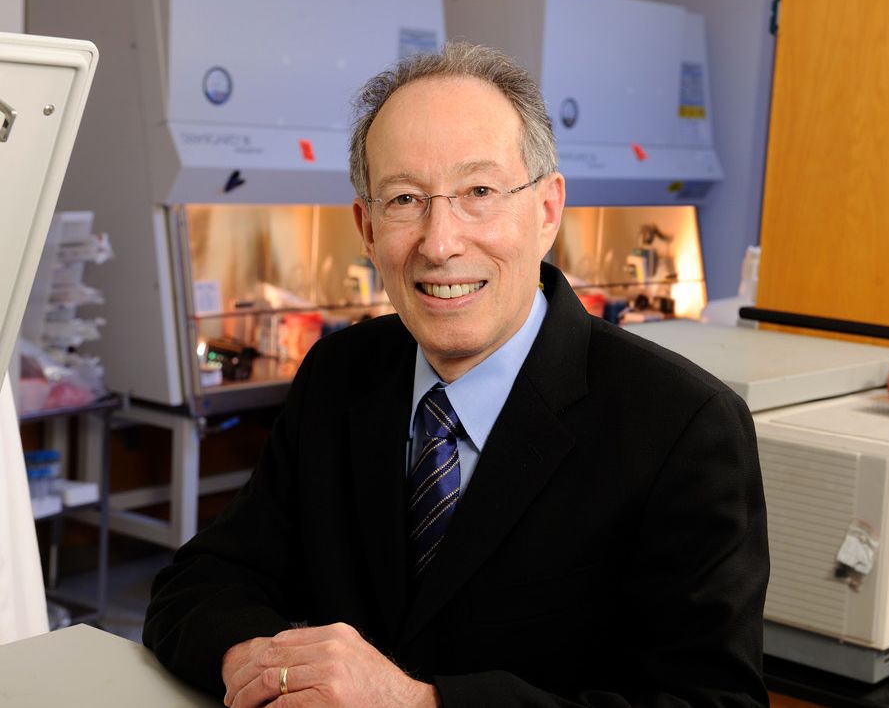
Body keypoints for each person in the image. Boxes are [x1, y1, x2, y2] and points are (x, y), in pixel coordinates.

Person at [143, 41, 770, 708]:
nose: (440, 243)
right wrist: (267, 665)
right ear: (366, 226)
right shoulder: (340, 374)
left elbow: (713, 703)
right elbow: (201, 581)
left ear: (548, 210)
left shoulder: (682, 428)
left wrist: (419, 703)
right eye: (406, 198)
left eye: (479, 191)